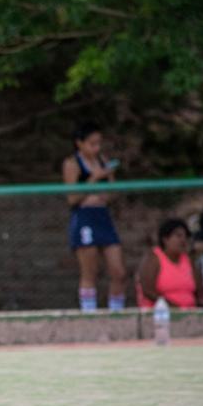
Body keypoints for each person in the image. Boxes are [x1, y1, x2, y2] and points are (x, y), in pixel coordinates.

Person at [62, 121, 127, 312]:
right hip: (85, 216)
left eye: (99, 143)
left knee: (118, 271)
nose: (96, 148)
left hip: (102, 214)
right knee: (90, 271)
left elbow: (113, 194)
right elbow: (72, 198)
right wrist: (94, 178)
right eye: (92, 144)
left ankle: (116, 312)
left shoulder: (103, 160)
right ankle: (89, 314)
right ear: (79, 143)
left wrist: (109, 179)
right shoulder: (72, 164)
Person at [136, 218, 203, 309]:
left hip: (189, 313)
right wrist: (174, 308)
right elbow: (148, 291)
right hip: (160, 313)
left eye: (185, 236)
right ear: (165, 239)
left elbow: (200, 291)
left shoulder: (189, 260)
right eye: (178, 236)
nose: (183, 240)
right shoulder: (153, 258)